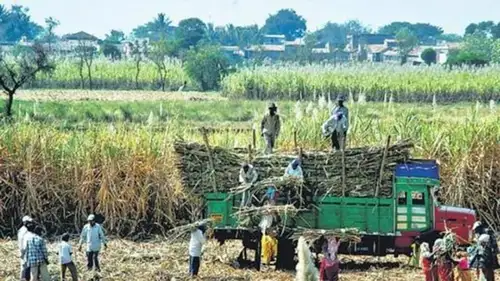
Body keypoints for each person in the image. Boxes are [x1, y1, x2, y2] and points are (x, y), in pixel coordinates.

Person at [18, 215, 34, 281]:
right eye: (28, 222)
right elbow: (22, 242)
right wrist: (22, 252)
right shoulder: (24, 230)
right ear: (25, 222)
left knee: (25, 266)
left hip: (24, 250)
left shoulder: (22, 229)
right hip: (24, 251)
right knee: (24, 267)